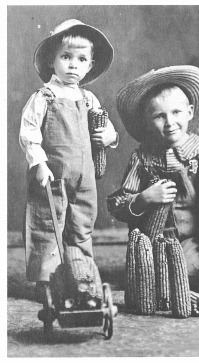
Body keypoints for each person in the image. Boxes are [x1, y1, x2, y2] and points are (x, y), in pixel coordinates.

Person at [107, 65, 199, 313]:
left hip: (191, 241)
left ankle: (176, 288)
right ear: (147, 122)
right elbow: (117, 203)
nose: (169, 123)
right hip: (151, 243)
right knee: (145, 276)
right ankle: (159, 286)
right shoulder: (142, 157)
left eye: (176, 112)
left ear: (189, 113)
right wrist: (144, 198)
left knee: (187, 270)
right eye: (159, 116)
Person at [19, 19, 118, 310]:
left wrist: (108, 135)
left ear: (89, 66)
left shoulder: (88, 99)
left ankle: (81, 277)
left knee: (81, 224)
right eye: (66, 57)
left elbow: (108, 129)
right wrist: (39, 163)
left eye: (81, 59)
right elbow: (29, 133)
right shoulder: (44, 97)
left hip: (84, 176)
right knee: (48, 225)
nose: (73, 65)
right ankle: (47, 281)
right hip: (52, 175)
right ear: (53, 60)